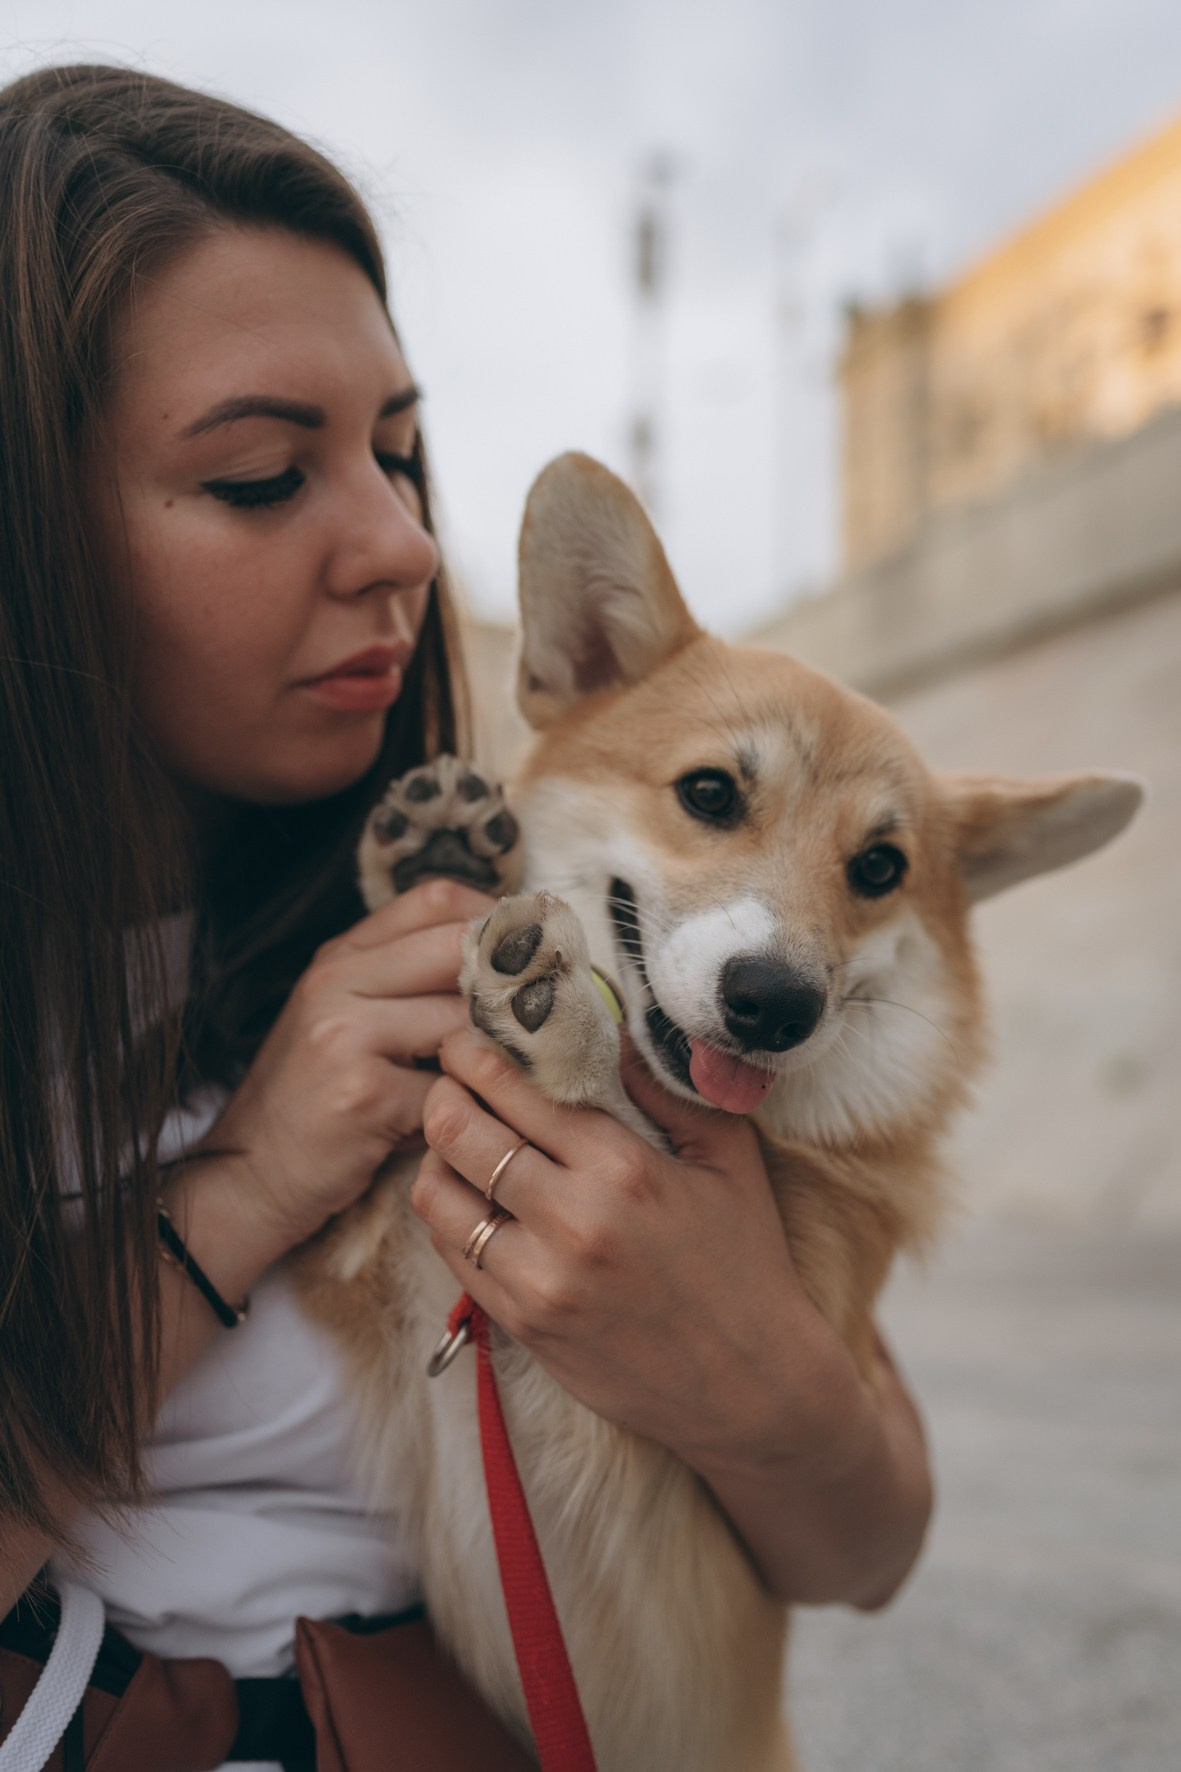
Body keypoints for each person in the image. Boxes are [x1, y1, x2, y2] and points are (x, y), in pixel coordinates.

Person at [0, 62, 932, 1768]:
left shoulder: (553, 936)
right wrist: (253, 1177)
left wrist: (737, 1357)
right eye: (265, 478)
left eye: (400, 450)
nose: (407, 545)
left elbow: (866, 1544)